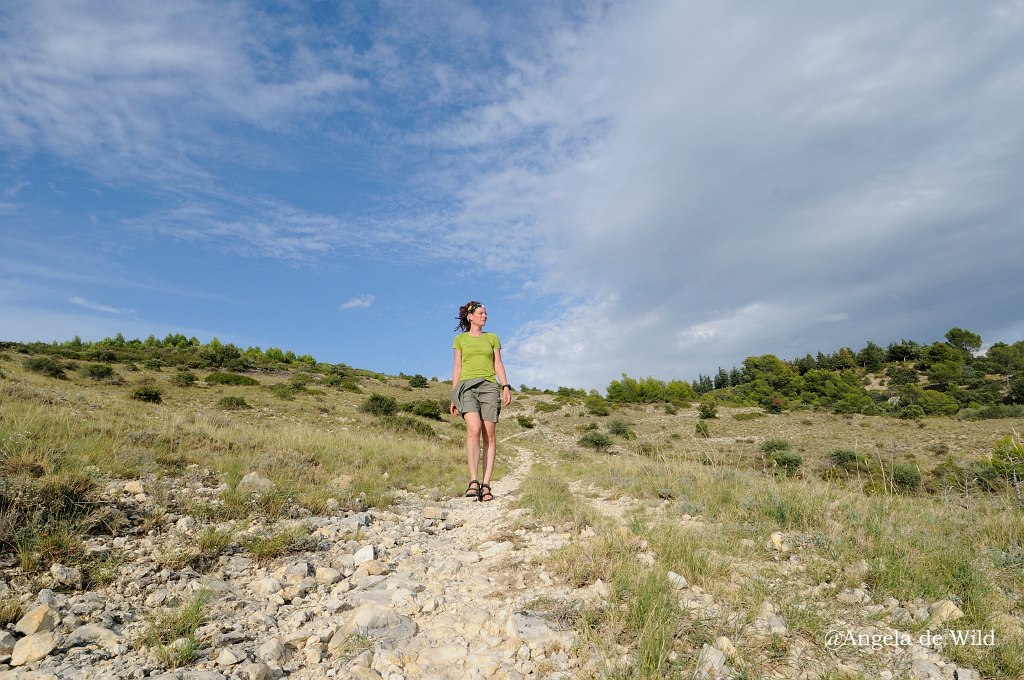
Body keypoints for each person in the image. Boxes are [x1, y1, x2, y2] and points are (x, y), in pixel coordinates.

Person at [449, 301, 512, 501]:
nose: (485, 316)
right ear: (470, 316)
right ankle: (473, 480)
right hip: (466, 387)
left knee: (489, 436)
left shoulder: (492, 338)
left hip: (489, 387)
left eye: (486, 314)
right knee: (473, 429)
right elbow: (457, 368)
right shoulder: (460, 340)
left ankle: (486, 485)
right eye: (481, 313)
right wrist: (453, 395)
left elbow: (498, 363)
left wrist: (505, 386)